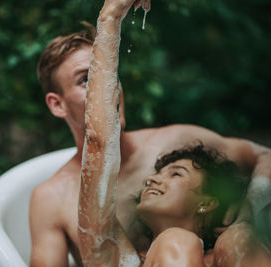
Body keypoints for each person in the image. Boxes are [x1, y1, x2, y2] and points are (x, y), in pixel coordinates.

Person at [29, 1, 271, 266]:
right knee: (177, 241)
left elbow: (265, 156)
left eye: (109, 74)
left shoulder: (173, 143)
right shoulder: (53, 197)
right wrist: (110, 17)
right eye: (88, 79)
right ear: (57, 104)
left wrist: (250, 210)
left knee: (238, 239)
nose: (108, 88)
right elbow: (99, 141)